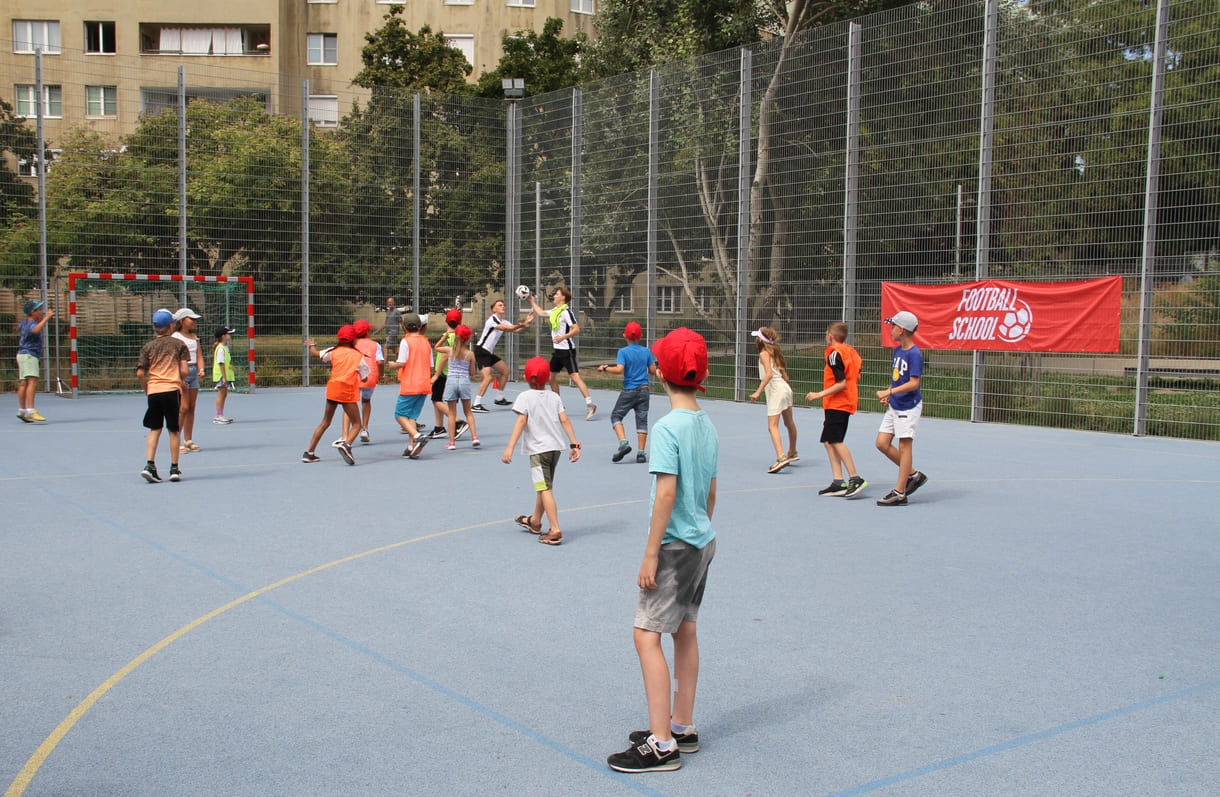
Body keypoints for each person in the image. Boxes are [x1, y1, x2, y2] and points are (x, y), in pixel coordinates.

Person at [607, 327, 717, 774]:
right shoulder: (706, 423)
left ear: (660, 372)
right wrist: (701, 526)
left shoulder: (668, 427)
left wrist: (651, 552)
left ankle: (662, 744)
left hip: (673, 545)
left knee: (645, 634)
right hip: (702, 540)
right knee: (685, 629)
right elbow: (710, 489)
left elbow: (666, 492)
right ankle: (683, 725)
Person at [500, 357, 581, 546]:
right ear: (547, 378)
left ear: (527, 377)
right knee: (543, 486)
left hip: (538, 451)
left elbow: (521, 421)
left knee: (545, 488)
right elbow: (565, 420)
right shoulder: (555, 396)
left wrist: (510, 447)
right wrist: (574, 444)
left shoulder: (525, 397)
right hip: (555, 449)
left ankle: (554, 529)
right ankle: (535, 521)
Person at [806, 322, 867, 498]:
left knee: (836, 440)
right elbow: (857, 375)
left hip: (838, 403)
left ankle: (855, 478)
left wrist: (819, 394)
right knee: (829, 440)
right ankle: (837, 481)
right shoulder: (850, 352)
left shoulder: (834, 354)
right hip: (843, 403)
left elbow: (842, 383)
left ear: (830, 336)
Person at [874, 310, 928, 506]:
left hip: (908, 407)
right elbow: (897, 379)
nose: (891, 329)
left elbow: (914, 383)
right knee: (882, 443)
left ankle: (900, 492)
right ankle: (914, 475)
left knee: (905, 446)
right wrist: (890, 392)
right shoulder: (898, 351)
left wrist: (890, 393)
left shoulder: (914, 354)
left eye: (893, 326)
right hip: (896, 405)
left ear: (902, 330)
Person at [526, 286, 597, 420]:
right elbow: (540, 313)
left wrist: (563, 337)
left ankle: (590, 404)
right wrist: (531, 301)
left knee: (575, 377)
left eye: (556, 294)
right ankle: (558, 406)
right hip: (557, 351)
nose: (554, 296)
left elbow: (576, 329)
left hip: (567, 351)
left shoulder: (566, 312)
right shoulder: (555, 311)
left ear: (563, 297)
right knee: (551, 378)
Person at [301, 325, 368, 465]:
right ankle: (347, 444)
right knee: (357, 424)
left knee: (325, 422)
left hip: (333, 389)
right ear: (353, 339)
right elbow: (365, 377)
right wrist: (363, 378)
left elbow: (316, 353)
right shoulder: (357, 356)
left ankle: (309, 453)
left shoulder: (333, 351)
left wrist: (312, 345)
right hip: (347, 391)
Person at [136, 308, 190, 483]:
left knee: (155, 429)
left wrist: (147, 388)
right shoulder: (178, 345)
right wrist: (180, 380)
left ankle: (150, 464)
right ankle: (174, 468)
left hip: (154, 390)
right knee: (173, 430)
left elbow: (140, 373)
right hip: (171, 390)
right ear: (170, 326)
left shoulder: (148, 347)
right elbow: (185, 370)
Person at [596, 321, 656, 464]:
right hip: (644, 390)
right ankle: (641, 453)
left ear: (625, 336)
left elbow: (619, 369)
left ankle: (623, 443)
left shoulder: (623, 352)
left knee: (616, 415)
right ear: (640, 336)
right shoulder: (646, 351)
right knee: (642, 419)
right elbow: (653, 371)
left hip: (629, 390)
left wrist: (604, 368)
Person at [748, 326, 799, 474]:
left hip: (777, 391)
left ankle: (781, 457)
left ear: (760, 340)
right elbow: (786, 377)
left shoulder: (764, 354)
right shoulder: (776, 352)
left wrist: (758, 391)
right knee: (789, 423)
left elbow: (769, 374)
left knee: (772, 426)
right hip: (785, 389)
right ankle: (792, 451)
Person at [471, 299, 533, 413]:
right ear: (494, 309)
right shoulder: (492, 319)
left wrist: (526, 323)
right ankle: (476, 403)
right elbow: (505, 328)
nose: (503, 307)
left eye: (504, 305)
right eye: (499, 305)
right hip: (482, 351)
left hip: (488, 352)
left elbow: (516, 330)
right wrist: (521, 324)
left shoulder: (503, 321)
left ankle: (499, 398)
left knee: (505, 371)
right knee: (488, 377)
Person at [387, 312, 433, 459]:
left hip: (410, 384)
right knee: (412, 416)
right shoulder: (426, 342)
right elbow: (431, 365)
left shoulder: (406, 341)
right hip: (424, 384)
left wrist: (392, 365)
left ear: (404, 327)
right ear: (420, 326)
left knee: (399, 415)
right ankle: (411, 446)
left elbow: (402, 362)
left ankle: (417, 436)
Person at [426, 309, 469, 441]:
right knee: (439, 400)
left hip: (443, 373)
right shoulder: (459, 336)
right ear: (460, 321)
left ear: (446, 320)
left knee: (436, 400)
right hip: (453, 373)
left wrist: (436, 373)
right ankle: (439, 428)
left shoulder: (447, 336)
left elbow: (444, 355)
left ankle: (458, 421)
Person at [437, 323, 480, 450]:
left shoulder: (449, 351)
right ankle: (474, 437)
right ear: (467, 340)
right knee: (468, 412)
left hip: (451, 381)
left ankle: (451, 443)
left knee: (451, 413)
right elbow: (472, 373)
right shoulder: (470, 354)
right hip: (464, 381)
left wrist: (445, 337)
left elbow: (437, 347)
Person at [343, 319, 384, 445]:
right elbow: (380, 361)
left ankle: (345, 435)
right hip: (370, 376)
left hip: (354, 377)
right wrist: (381, 374)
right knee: (366, 401)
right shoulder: (375, 345)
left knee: (349, 404)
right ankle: (364, 429)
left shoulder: (352, 345)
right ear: (368, 332)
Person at [171, 307, 203, 453]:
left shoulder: (194, 338)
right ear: (182, 321)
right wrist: (179, 377)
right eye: (191, 319)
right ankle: (176, 441)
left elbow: (199, 356)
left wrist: (201, 369)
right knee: (183, 408)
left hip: (194, 371)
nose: (194, 322)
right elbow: (174, 359)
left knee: (191, 407)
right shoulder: (176, 337)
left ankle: (188, 439)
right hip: (182, 372)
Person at [15, 299, 52, 423]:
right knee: (33, 381)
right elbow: (36, 330)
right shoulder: (31, 324)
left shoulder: (24, 323)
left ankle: (22, 410)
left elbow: (19, 328)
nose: (41, 312)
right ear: (32, 312)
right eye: (39, 310)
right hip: (29, 355)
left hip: (21, 355)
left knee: (23, 383)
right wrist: (46, 318)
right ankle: (30, 410)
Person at [211, 326, 236, 424]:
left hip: (225, 375)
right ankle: (217, 416)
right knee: (221, 395)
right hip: (221, 376)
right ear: (223, 336)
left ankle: (221, 414)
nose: (229, 335)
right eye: (228, 334)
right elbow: (221, 363)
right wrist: (224, 377)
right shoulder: (220, 348)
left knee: (224, 394)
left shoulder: (225, 347)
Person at [377, 297, 402, 368]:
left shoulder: (396, 312)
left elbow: (401, 321)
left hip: (393, 332)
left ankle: (384, 362)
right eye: (388, 302)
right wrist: (378, 331)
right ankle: (399, 360)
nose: (389, 304)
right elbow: (386, 323)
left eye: (391, 302)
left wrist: (406, 331)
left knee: (385, 347)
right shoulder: (388, 312)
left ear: (393, 303)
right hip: (388, 332)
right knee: (394, 349)